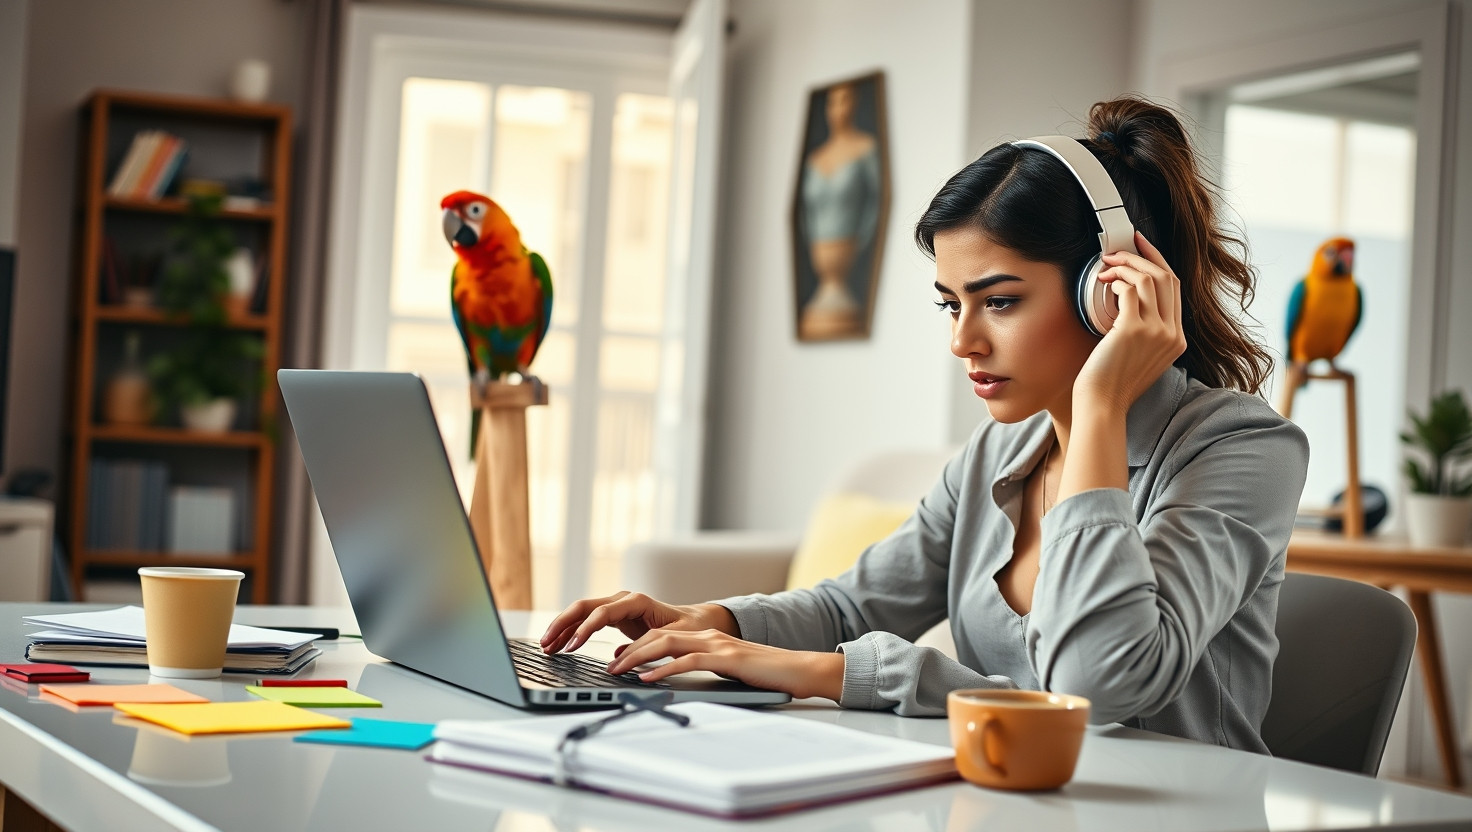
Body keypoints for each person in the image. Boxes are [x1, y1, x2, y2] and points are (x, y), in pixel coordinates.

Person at [541, 95, 1310, 753]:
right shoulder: (998, 453)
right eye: (951, 304)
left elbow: (1092, 689)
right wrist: (708, 621)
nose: (963, 341)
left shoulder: (1241, 448)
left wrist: (1102, 404)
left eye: (999, 301)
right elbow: (853, 607)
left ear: (1107, 292)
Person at [798, 81, 882, 340]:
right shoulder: (815, 158)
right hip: (821, 249)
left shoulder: (865, 148)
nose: (838, 109)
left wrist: (862, 237)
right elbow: (805, 211)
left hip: (849, 243)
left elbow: (877, 199)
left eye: (845, 100)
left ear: (855, 104)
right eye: (832, 102)